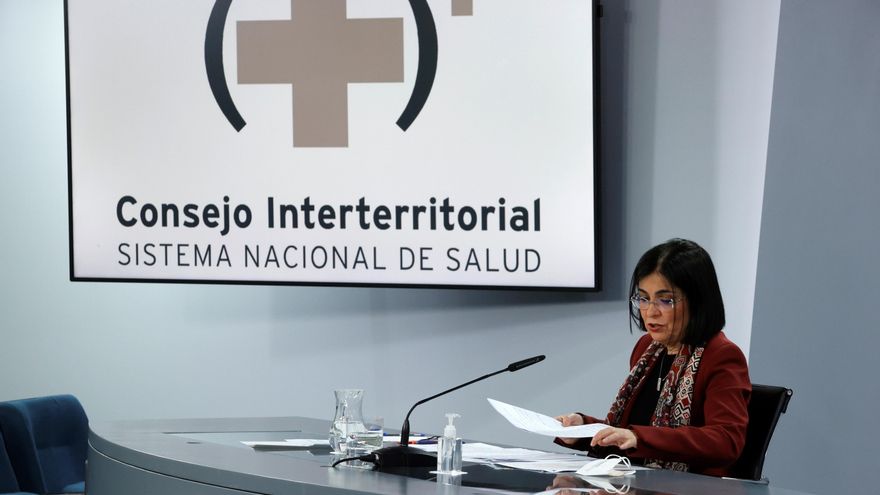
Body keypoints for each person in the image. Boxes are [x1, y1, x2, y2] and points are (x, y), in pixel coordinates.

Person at [555, 238, 750, 477]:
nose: (650, 311)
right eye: (643, 298)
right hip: (634, 482)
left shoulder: (721, 356)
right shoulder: (647, 348)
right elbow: (627, 434)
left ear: (698, 301)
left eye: (665, 300)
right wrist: (582, 429)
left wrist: (638, 437)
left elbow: (726, 441)